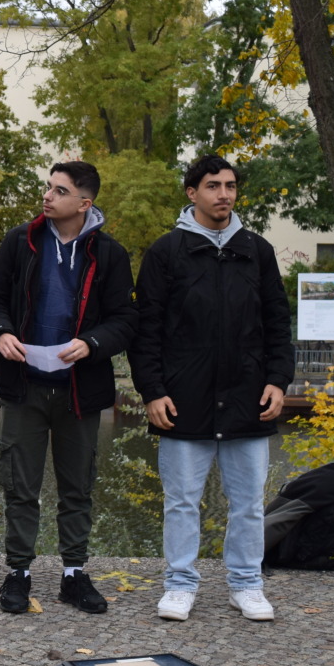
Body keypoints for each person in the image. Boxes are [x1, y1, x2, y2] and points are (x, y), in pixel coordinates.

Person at [130, 155, 293, 623]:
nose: (224, 194)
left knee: (247, 503)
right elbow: (148, 332)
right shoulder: (167, 253)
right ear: (191, 193)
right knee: (182, 501)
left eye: (230, 186)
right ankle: (180, 584)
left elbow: (278, 324)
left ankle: (247, 584)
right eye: (213, 186)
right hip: (185, 399)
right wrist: (152, 391)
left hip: (249, 398)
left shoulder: (257, 251)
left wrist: (278, 380)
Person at [0, 160, 138, 615]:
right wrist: (1, 332)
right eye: (47, 187)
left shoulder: (110, 254)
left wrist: (92, 343)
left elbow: (126, 321)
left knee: (77, 486)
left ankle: (73, 574)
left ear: (84, 203)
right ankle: (19, 573)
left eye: (59, 191)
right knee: (19, 484)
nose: (47, 196)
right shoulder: (20, 242)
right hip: (24, 385)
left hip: (80, 391)